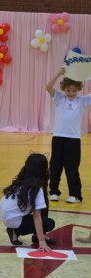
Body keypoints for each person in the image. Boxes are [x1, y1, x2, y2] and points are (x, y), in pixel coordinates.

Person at [46, 67, 91, 203]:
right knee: (55, 166)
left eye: (74, 90)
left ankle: (75, 195)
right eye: (68, 90)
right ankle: (54, 192)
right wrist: (58, 73)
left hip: (73, 139)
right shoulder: (59, 98)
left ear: (78, 89)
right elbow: (48, 87)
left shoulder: (82, 101)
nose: (71, 93)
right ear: (63, 89)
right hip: (58, 137)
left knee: (72, 168)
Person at [0, 153, 56, 251]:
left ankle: (16, 230)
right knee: (49, 223)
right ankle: (17, 231)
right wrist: (42, 241)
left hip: (7, 216)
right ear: (43, 170)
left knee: (42, 203)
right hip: (14, 219)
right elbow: (37, 216)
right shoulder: (36, 188)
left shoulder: (20, 181)